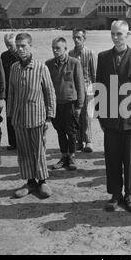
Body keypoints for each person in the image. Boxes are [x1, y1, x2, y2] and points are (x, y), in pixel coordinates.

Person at [95, 20, 131, 213]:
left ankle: (130, 194)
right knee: (112, 158)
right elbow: (98, 87)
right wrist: (101, 116)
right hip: (110, 120)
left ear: (127, 35)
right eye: (113, 34)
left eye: (119, 34)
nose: (116, 37)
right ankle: (115, 194)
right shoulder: (103, 57)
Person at [7, 33, 56, 199]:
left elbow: (50, 93)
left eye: (24, 46)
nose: (21, 49)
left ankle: (42, 181)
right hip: (19, 118)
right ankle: (30, 182)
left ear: (30, 46)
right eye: (18, 46)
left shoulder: (41, 67)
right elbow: (11, 93)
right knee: (24, 151)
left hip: (37, 117)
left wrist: (49, 117)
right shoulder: (14, 68)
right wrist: (11, 115)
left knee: (38, 150)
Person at [46, 37, 85, 171]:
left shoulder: (74, 63)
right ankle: (64, 156)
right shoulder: (49, 64)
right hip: (56, 104)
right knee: (60, 131)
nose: (55, 51)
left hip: (71, 104)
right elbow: (46, 86)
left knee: (72, 131)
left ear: (65, 49)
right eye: (53, 48)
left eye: (58, 48)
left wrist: (79, 106)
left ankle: (72, 156)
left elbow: (80, 85)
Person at [69, 28, 96, 153]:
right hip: (74, 89)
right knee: (76, 115)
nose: (76, 40)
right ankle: (79, 141)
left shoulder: (90, 53)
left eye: (79, 37)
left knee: (87, 115)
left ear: (84, 39)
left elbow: (94, 74)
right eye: (74, 37)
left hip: (88, 87)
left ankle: (88, 141)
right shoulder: (70, 53)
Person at [1, 33, 20, 150]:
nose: (9, 48)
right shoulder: (4, 56)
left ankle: (21, 142)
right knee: (9, 116)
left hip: (20, 90)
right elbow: (2, 75)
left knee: (21, 116)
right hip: (8, 91)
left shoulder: (21, 56)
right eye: (7, 45)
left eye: (11, 45)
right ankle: (13, 143)